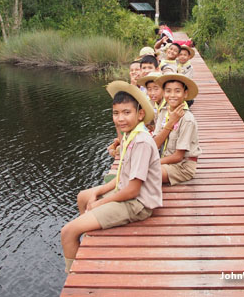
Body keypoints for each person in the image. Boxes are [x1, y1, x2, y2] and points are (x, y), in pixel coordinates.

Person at [60, 81, 162, 274]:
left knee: (68, 232)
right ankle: (90, 232)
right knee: (83, 196)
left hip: (138, 204)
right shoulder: (130, 136)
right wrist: (98, 191)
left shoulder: (141, 142)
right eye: (116, 113)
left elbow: (133, 190)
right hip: (128, 194)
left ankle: (74, 277)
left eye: (126, 112)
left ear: (140, 114)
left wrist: (98, 204)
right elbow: (123, 178)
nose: (120, 118)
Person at [153, 74, 201, 185]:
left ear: (185, 94)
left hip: (181, 167)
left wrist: (153, 163)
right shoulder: (164, 112)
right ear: (164, 93)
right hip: (164, 160)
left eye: (177, 91)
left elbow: (178, 156)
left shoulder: (187, 119)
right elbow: (155, 144)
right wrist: (170, 123)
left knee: (145, 172)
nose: (172, 95)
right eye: (168, 91)